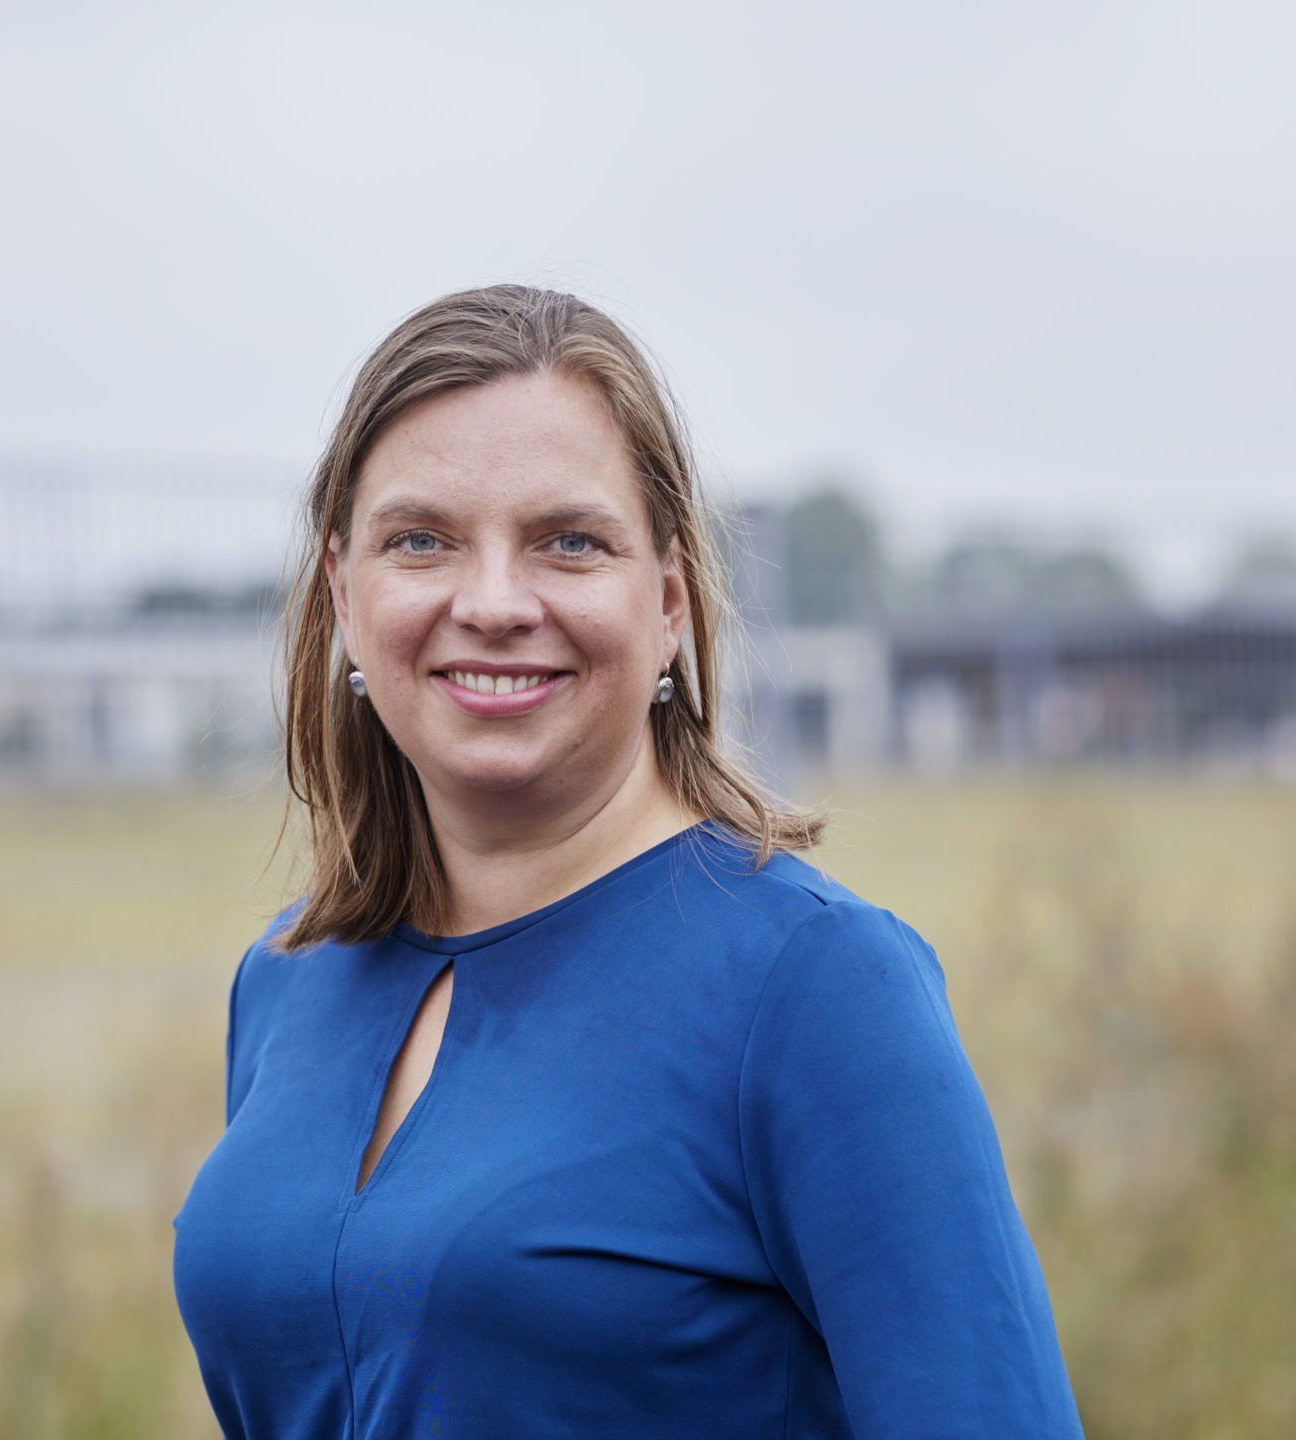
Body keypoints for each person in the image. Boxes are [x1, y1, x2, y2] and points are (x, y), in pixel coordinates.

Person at [171, 285, 1081, 1438]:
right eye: (421, 541)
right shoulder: (287, 979)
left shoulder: (816, 987)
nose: (494, 602)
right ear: (345, 593)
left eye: (569, 542)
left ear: (667, 602)